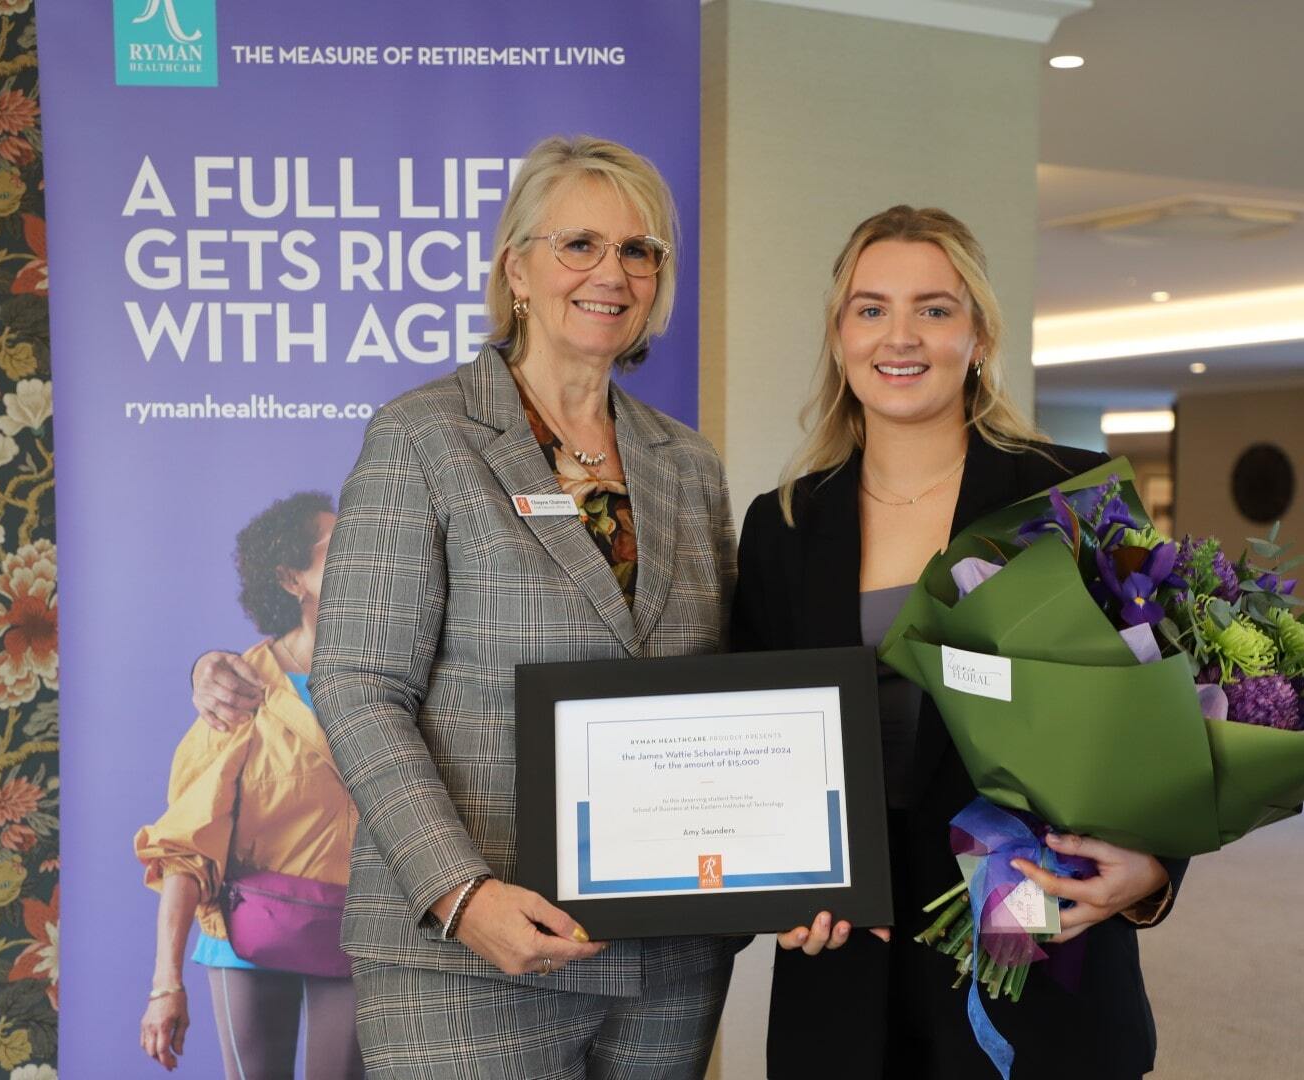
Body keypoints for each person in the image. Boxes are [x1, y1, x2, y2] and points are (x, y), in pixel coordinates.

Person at [304, 135, 739, 1080]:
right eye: (579, 244)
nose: (611, 273)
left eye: (640, 251)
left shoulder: (687, 464)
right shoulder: (425, 436)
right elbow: (355, 683)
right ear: (518, 269)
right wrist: (461, 894)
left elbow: (725, 694)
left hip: (666, 958)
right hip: (470, 954)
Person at [731, 206, 1187, 1080]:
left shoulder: (1072, 493)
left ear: (978, 334)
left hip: (1035, 946)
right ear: (839, 336)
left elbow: (1170, 715)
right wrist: (771, 879)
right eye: (870, 309)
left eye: (934, 309)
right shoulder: (784, 523)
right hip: (844, 968)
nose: (900, 336)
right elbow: (756, 734)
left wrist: (1156, 870)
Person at [136, 492, 365, 1079]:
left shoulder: (391, 676)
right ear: (292, 579)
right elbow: (185, 850)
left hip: (361, 933)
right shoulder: (238, 690)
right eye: (336, 543)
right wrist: (166, 986)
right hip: (248, 940)